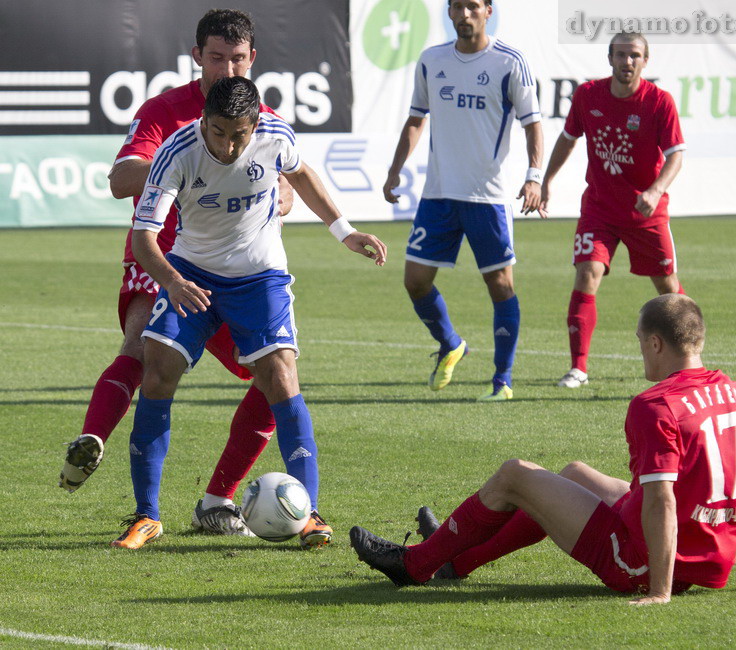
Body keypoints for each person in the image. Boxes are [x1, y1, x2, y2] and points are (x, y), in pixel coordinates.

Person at [57, 9, 324, 545]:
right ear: (197, 56)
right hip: (165, 254)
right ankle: (97, 443)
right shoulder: (167, 113)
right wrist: (179, 160)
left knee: (271, 379)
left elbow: (287, 184)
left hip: (239, 267)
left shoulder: (255, 115)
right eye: (217, 58)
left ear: (253, 60)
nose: (227, 69)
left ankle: (218, 498)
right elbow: (120, 178)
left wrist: (272, 188)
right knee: (144, 350)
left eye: (238, 59)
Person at [351, 294, 736, 603]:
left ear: (656, 343)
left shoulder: (657, 405)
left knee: (514, 474)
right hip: (697, 552)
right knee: (572, 473)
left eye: (641, 343)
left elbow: (663, 501)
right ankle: (456, 561)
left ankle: (414, 565)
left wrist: (659, 591)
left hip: (644, 563)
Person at [111, 76, 386, 549]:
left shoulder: (276, 135)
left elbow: (300, 174)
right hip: (190, 273)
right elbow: (144, 238)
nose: (228, 144)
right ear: (204, 121)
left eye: (238, 134)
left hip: (260, 278)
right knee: (157, 371)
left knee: (281, 377)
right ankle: (146, 515)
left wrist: (344, 231)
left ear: (255, 123)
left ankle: (311, 516)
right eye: (218, 132)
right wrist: (174, 282)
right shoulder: (177, 151)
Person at [383, 0, 543, 401]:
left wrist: (534, 176)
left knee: (501, 285)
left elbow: (533, 124)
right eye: (458, 6)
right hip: (438, 194)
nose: (465, 14)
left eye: (473, 6)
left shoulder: (509, 62)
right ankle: (451, 343)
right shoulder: (431, 60)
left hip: (486, 198)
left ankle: (502, 380)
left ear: (488, 11)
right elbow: (416, 118)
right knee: (415, 281)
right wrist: (394, 169)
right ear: (450, 13)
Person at [538, 32, 687, 389]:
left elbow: (676, 155)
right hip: (600, 210)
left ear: (645, 61)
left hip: (645, 212)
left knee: (667, 290)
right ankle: (578, 368)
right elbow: (568, 138)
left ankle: (687, 362)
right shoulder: (588, 95)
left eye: (635, 55)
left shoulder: (659, 102)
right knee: (587, 272)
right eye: (621, 55)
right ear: (610, 58)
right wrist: (547, 181)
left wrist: (655, 190)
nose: (627, 62)